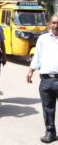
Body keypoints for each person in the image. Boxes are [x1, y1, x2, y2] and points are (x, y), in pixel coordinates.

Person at [27, 15, 58, 144]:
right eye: (54, 23)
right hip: (46, 80)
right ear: (49, 24)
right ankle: (50, 132)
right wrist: (31, 70)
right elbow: (37, 57)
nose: (56, 25)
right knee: (48, 108)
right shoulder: (43, 39)